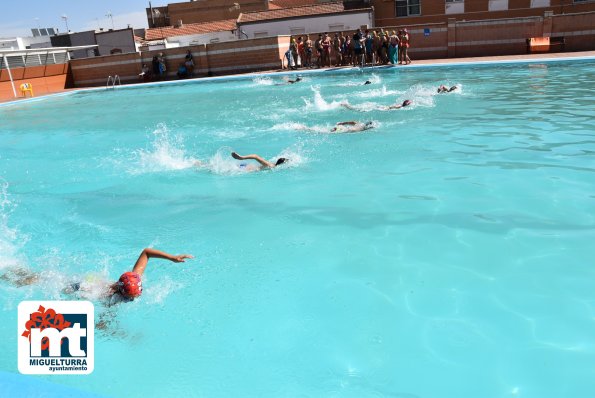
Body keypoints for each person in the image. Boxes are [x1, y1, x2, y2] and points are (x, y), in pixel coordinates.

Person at [1, 248, 193, 305]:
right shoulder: (112, 298)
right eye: (132, 297)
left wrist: (171, 258)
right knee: (37, 282)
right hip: (80, 287)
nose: (135, 298)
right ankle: (8, 275)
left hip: (91, 280)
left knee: (40, 277)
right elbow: (101, 324)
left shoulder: (131, 280)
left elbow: (146, 253)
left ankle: (12, 268)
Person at [341, 99, 412, 111]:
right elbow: (390, 107)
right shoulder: (400, 107)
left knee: (358, 108)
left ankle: (347, 105)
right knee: (358, 109)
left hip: (382, 107)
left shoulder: (400, 106)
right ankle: (346, 105)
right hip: (383, 108)